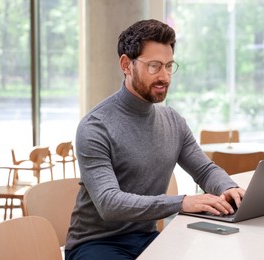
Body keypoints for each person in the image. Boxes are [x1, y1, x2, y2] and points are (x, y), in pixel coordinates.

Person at [65, 19, 245, 260]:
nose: (165, 77)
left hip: (147, 238)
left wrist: (229, 188)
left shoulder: (173, 120)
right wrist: (182, 203)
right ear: (126, 65)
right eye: (154, 66)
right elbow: (109, 203)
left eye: (169, 66)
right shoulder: (95, 127)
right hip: (96, 244)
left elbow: (204, 170)